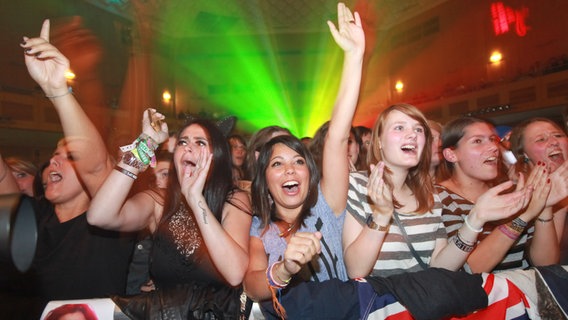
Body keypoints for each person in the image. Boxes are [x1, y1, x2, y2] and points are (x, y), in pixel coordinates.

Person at [0, 19, 134, 319]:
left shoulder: (108, 224)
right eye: (52, 157)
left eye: (68, 155)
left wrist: (58, 90)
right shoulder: (35, 217)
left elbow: (97, 165)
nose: (54, 162)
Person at [244, 3, 364, 317]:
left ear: (309, 172)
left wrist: (353, 58)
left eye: (298, 161)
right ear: (265, 181)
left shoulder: (327, 204)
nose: (290, 169)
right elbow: (252, 285)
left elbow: (337, 137)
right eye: (277, 163)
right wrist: (284, 268)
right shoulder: (259, 229)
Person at [87, 111, 253, 318]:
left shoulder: (233, 200)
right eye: (183, 142)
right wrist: (144, 144)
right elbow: (99, 216)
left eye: (200, 142)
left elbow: (235, 273)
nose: (188, 147)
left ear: (217, 154)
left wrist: (195, 198)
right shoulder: (159, 201)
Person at [344, 105, 534, 278]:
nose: (412, 135)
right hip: (384, 308)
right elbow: (355, 270)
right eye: (399, 128)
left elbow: (441, 266)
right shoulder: (359, 185)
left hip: (424, 306)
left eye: (418, 129)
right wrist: (381, 217)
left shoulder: (428, 195)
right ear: (379, 142)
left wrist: (476, 219)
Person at [436, 116, 558, 273]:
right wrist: (522, 218)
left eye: (493, 139)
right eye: (478, 141)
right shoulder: (438, 199)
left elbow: (547, 264)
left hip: (525, 293)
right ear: (451, 155)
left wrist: (544, 205)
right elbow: (467, 269)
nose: (493, 147)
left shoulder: (510, 192)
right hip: (481, 296)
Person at [509, 117, 568, 265]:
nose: (554, 142)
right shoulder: (521, 198)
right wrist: (558, 205)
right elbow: (545, 263)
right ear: (525, 155)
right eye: (541, 139)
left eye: (558, 135)